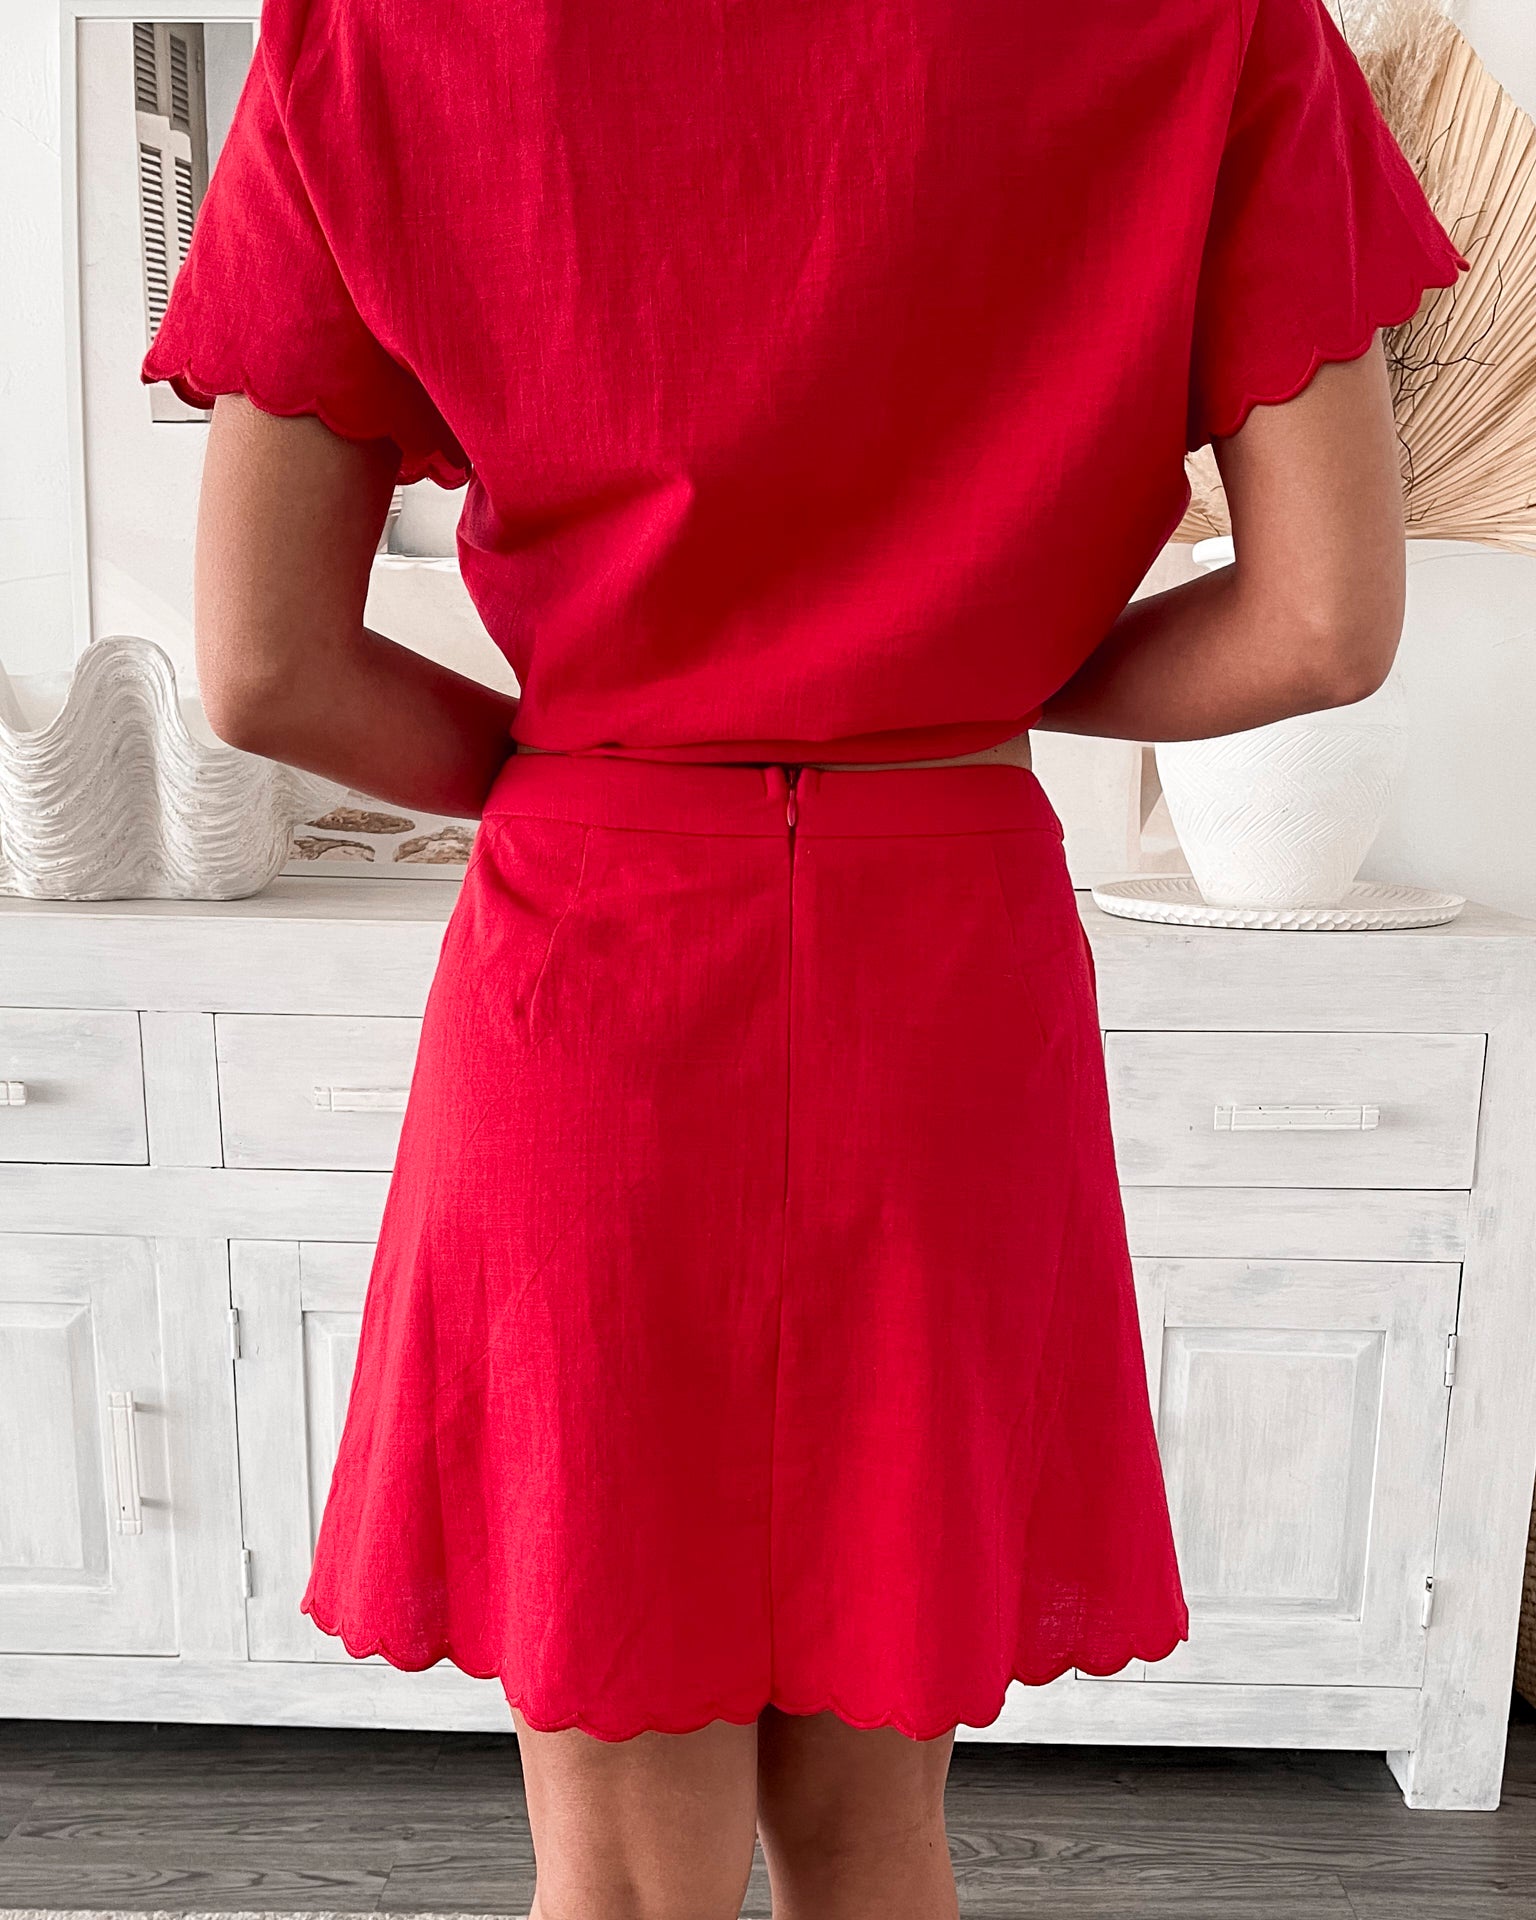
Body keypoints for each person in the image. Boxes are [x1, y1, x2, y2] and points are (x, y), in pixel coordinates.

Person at [141, 1, 1466, 1914]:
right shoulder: (1211, 25)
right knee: (874, 1844)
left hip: (592, 949)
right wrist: (947, 695)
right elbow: (1327, 627)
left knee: (619, 1879)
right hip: (945, 958)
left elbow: (262, 668)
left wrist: (579, 761)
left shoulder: (374, 32)